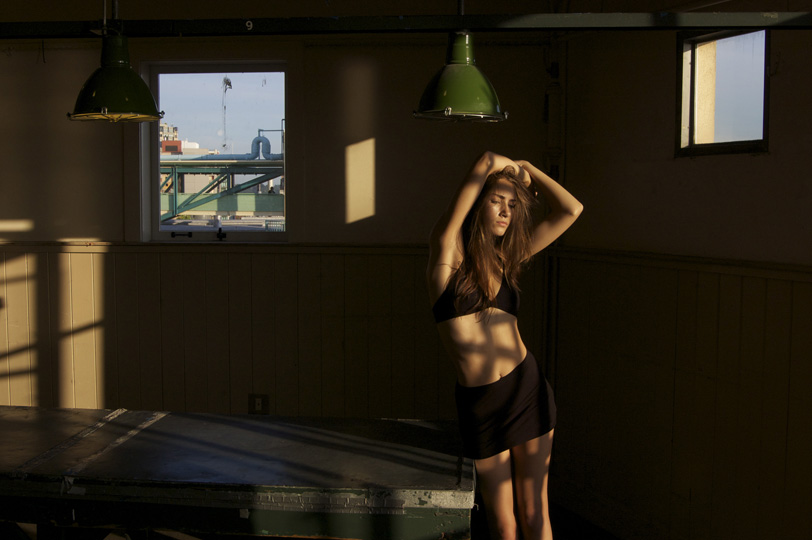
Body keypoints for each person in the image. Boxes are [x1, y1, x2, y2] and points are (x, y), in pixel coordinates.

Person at [427, 151, 583, 540]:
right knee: (503, 524)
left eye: (512, 205)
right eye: (497, 201)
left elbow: (571, 210)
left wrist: (529, 170)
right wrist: (513, 170)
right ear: (478, 203)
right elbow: (485, 161)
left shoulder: (507, 259)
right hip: (481, 404)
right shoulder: (445, 256)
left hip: (527, 389)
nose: (505, 212)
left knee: (534, 513)